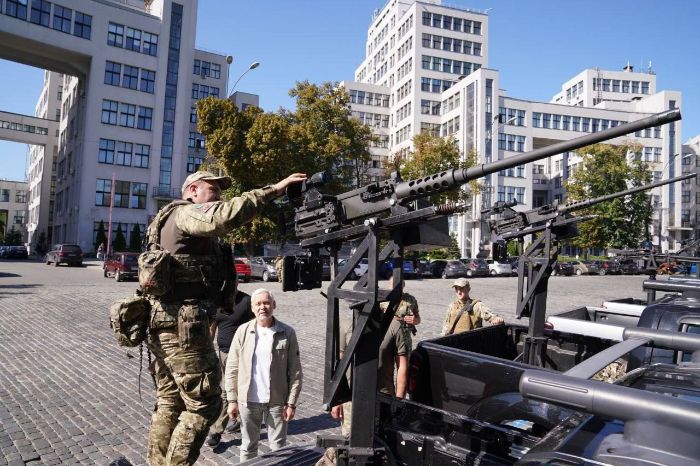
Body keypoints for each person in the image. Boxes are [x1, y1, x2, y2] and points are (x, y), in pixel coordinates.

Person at [143, 170, 306, 466]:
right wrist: (275, 189)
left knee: (170, 401)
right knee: (206, 404)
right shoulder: (186, 214)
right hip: (182, 329)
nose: (219, 195)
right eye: (213, 189)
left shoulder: (167, 220)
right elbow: (223, 216)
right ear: (192, 190)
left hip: (164, 324)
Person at [225, 288, 303, 462]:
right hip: (248, 401)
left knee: (278, 449)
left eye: (266, 303)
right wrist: (231, 400)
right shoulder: (242, 331)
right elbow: (232, 368)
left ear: (274, 305)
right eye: (258, 304)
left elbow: (296, 371)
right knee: (248, 447)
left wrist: (291, 403)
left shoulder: (287, 333)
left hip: (276, 402)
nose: (263, 307)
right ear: (252, 308)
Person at [205, 289, 254, 447]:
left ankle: (216, 431)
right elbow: (212, 327)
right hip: (222, 354)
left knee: (226, 390)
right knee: (235, 389)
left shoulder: (246, 301)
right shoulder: (217, 301)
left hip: (240, 355)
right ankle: (240, 418)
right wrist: (207, 350)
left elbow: (257, 326)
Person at [380, 276, 420, 353]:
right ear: (389, 285)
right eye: (393, 285)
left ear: (403, 286)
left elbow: (418, 319)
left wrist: (415, 320)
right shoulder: (383, 299)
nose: (395, 288)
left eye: (399, 285)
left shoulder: (410, 300)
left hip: (404, 338)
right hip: (386, 337)